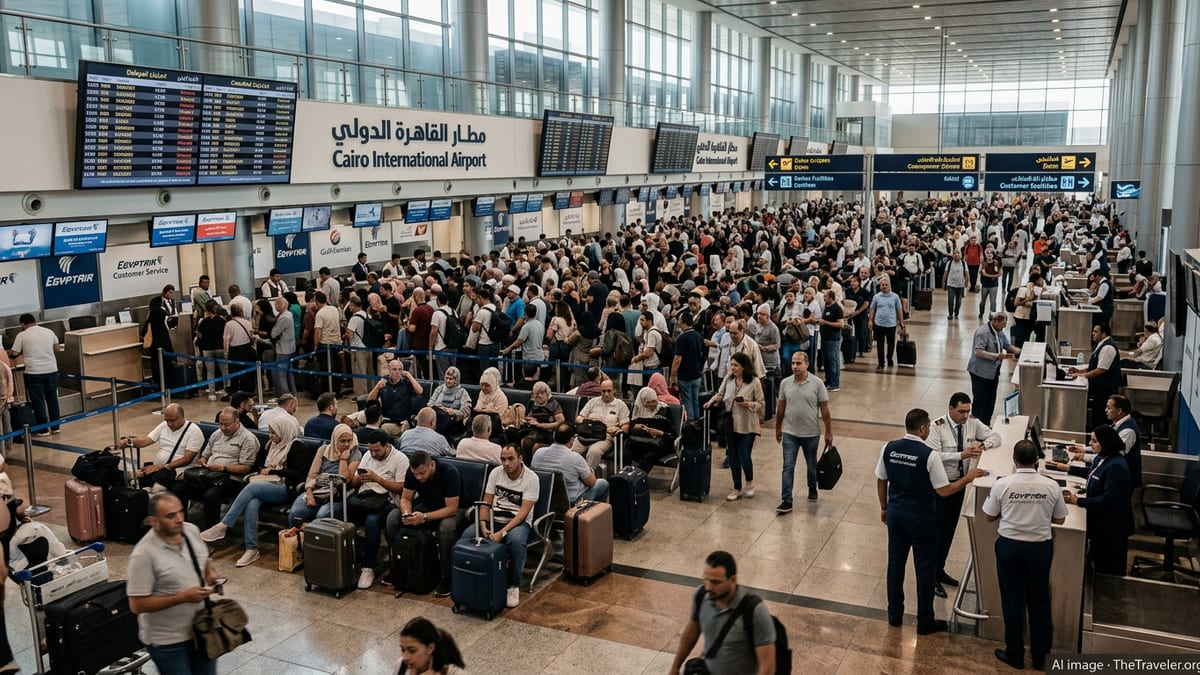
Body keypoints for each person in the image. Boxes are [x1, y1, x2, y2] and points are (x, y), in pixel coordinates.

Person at [876, 408, 985, 635]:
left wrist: (884, 507)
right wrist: (967, 478)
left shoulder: (889, 448)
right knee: (924, 567)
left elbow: (881, 479)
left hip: (896, 512)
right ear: (924, 428)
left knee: (895, 564)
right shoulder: (929, 455)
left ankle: (894, 614)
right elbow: (944, 491)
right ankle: (925, 621)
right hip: (921, 517)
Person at [982, 439, 1067, 671]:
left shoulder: (1004, 484)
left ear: (1014, 461)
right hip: (1039, 548)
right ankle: (1041, 658)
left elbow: (989, 516)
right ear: (1037, 461)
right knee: (1039, 601)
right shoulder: (1051, 485)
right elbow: (1060, 519)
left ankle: (1015, 654)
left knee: (1012, 600)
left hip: (1010, 547)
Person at [128, 493, 221, 675]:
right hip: (168, 643)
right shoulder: (144, 555)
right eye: (170, 516)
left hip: (202, 630)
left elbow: (203, 558)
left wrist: (210, 572)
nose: (179, 519)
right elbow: (137, 605)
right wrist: (182, 597)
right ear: (153, 521)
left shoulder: (191, 531)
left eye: (180, 512)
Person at [199, 417, 309, 568]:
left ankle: (224, 525)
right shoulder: (272, 445)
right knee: (251, 503)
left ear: (284, 432)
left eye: (273, 433)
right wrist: (265, 471)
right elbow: (260, 466)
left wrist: (275, 470)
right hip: (266, 483)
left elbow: (298, 475)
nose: (270, 436)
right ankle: (251, 549)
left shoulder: (296, 447)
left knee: (251, 488)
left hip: (284, 487)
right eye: (269, 432)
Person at [925, 392, 1001, 598]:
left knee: (949, 530)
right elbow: (932, 455)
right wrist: (962, 455)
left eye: (968, 411)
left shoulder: (973, 424)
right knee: (936, 532)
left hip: (959, 486)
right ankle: (930, 577)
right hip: (940, 486)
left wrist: (983, 445)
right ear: (950, 409)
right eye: (961, 412)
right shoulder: (937, 426)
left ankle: (940, 569)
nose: (965, 416)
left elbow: (996, 435)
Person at [456, 444, 539, 609]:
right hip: (494, 518)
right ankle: (467, 581)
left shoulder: (531, 478)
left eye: (510, 459)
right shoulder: (496, 473)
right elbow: (486, 502)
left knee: (516, 543)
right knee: (465, 539)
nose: (506, 463)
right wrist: (483, 524)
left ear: (520, 458)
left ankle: (513, 585)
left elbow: (523, 512)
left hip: (517, 522)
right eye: (503, 459)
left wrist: (502, 532)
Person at [668, 550, 776, 675]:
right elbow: (690, 635)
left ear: (733, 580)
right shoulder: (702, 595)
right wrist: (675, 667)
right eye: (706, 580)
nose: (708, 587)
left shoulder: (754, 610)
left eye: (715, 582)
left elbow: (767, 667)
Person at [1059, 425, 1134, 576]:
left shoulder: (1116, 466)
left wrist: (1078, 501)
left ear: (1106, 442)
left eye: (1094, 441)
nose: (1090, 444)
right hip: (1101, 523)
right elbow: (1093, 473)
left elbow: (1109, 500)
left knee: (1108, 571)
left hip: (1112, 528)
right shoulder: (1102, 457)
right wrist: (1069, 469)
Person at [387, 451, 463, 597]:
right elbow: (406, 498)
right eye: (415, 474)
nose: (418, 477)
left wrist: (425, 518)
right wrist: (407, 513)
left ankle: (445, 576)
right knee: (393, 518)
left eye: (422, 473)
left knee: (446, 529)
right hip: (427, 505)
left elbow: (452, 508)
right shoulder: (412, 472)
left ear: (432, 465)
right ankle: (398, 566)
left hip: (455, 509)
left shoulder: (449, 472)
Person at [178, 408, 258, 529]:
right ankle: (181, 525)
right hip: (209, 475)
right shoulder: (217, 434)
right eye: (221, 424)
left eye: (227, 424)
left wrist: (223, 468)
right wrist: (203, 462)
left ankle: (212, 530)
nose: (223, 428)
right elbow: (205, 455)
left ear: (237, 422)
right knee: (180, 488)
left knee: (211, 495)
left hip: (232, 480)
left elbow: (246, 468)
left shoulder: (248, 439)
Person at [349, 429, 409, 589]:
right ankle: (348, 558)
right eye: (370, 450)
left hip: (386, 501)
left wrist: (378, 479)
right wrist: (357, 480)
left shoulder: (400, 459)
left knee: (372, 521)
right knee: (338, 512)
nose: (373, 454)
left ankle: (368, 567)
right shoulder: (367, 456)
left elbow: (402, 488)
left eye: (377, 450)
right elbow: (355, 482)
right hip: (364, 498)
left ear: (387, 445)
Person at [775, 352, 833, 511]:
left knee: (811, 465)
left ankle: (812, 488)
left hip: (811, 434)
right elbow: (781, 407)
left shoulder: (817, 383)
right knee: (788, 467)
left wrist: (828, 431)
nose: (795, 366)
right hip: (789, 433)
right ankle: (787, 499)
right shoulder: (785, 383)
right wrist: (778, 427)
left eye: (799, 363)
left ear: (807, 364)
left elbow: (825, 409)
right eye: (793, 363)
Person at [704, 352, 764, 502]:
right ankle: (736, 487)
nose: (733, 368)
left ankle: (749, 483)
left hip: (747, 425)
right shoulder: (728, 379)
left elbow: (761, 404)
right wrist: (711, 402)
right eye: (731, 365)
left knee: (744, 455)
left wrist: (747, 404)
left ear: (744, 366)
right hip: (731, 424)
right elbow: (720, 393)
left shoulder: (754, 382)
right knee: (733, 457)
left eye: (736, 365)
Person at [119, 403, 204, 491]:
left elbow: (187, 459)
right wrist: (129, 441)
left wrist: (162, 466)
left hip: (177, 470)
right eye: (167, 420)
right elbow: (146, 441)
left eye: (172, 420)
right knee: (130, 477)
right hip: (160, 469)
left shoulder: (194, 432)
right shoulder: (164, 425)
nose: (169, 424)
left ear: (182, 417)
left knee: (156, 482)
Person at [7, 314, 60, 435]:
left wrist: (10, 353)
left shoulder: (22, 335)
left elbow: (14, 353)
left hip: (34, 372)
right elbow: (56, 348)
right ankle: (56, 427)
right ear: (35, 321)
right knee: (52, 399)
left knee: (38, 401)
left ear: (22, 324)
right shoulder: (48, 331)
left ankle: (43, 430)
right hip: (51, 370)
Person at [531, 424, 609, 504]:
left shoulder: (538, 453)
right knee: (602, 484)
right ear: (572, 440)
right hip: (573, 502)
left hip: (544, 499)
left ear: (554, 436)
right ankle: (593, 513)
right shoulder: (575, 458)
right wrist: (590, 472)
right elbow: (592, 483)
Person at [966, 312, 1021, 426]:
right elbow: (978, 351)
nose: (1004, 327)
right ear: (995, 321)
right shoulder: (982, 333)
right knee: (980, 401)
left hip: (993, 372)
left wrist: (1021, 352)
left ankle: (986, 424)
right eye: (1002, 324)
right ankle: (976, 426)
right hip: (980, 372)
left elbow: (1007, 346)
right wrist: (996, 356)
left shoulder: (999, 332)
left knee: (990, 401)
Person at [1066, 322, 1122, 430]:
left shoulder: (1108, 348)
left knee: (1101, 419)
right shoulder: (1100, 346)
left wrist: (1082, 376)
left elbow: (1100, 370)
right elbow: (1093, 366)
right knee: (1097, 417)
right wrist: (1079, 371)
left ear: (1104, 334)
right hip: (1098, 390)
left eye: (1096, 332)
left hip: (1105, 391)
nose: (1093, 334)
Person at [573, 377, 630, 473]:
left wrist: (616, 429)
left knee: (593, 452)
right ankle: (572, 475)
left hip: (605, 436)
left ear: (614, 391)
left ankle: (588, 477)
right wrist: (588, 421)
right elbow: (578, 418)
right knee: (573, 452)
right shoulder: (593, 402)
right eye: (603, 391)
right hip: (587, 433)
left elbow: (626, 427)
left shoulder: (620, 405)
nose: (606, 394)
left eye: (609, 391)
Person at [621, 387, 675, 474]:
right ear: (643, 403)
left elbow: (673, 434)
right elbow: (629, 431)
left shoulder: (664, 410)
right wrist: (635, 427)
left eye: (655, 400)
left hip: (658, 445)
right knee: (625, 453)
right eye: (649, 402)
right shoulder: (637, 411)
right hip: (639, 443)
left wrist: (660, 433)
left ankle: (637, 478)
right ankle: (625, 476)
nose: (654, 404)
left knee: (649, 457)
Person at [368, 359, 426, 436]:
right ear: (389, 370)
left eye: (400, 369)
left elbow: (420, 391)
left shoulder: (406, 381)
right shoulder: (383, 381)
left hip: (403, 420)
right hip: (387, 419)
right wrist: (377, 387)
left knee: (384, 429)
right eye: (394, 369)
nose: (397, 372)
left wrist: (409, 375)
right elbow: (369, 401)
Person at [394, 616, 466, 675]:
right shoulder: (401, 665)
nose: (405, 657)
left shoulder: (454, 673)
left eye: (412, 651)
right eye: (403, 650)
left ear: (430, 648)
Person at [670, 311, 706, 420]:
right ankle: (697, 421)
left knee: (687, 401)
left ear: (683, 322)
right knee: (695, 400)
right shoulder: (698, 336)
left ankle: (691, 424)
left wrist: (673, 375)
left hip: (685, 376)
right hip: (697, 374)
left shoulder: (682, 338)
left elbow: (677, 359)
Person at [145, 284, 180, 391]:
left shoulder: (171, 303)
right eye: (169, 292)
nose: (171, 294)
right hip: (161, 345)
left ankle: (163, 387)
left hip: (162, 342)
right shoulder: (157, 319)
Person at [867, 278, 904, 372]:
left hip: (891, 324)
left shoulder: (895, 297)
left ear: (889, 286)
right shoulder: (876, 297)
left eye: (886, 285)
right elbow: (872, 309)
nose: (884, 286)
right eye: (882, 285)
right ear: (880, 286)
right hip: (879, 324)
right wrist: (870, 320)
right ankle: (881, 363)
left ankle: (889, 357)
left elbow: (899, 310)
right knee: (880, 344)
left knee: (891, 343)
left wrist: (901, 322)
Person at [427, 367, 472, 437]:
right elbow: (429, 404)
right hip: (437, 419)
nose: (448, 381)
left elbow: (466, 411)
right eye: (446, 378)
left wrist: (453, 412)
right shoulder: (440, 389)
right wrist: (436, 406)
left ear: (456, 380)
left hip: (453, 421)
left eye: (451, 379)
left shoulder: (462, 392)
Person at [268, 296, 297, 397]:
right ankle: (293, 392)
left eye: (276, 304)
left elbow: (274, 333)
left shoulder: (284, 318)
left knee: (281, 374)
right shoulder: (289, 314)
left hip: (283, 349)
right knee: (289, 372)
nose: (275, 306)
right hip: (290, 347)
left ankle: (284, 395)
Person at [817, 289, 845, 391]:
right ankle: (828, 381)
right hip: (825, 338)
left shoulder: (836, 309)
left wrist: (826, 323)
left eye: (825, 296)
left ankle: (835, 383)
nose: (824, 298)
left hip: (833, 339)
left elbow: (841, 324)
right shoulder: (826, 307)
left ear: (831, 297)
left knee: (833, 361)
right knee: (827, 361)